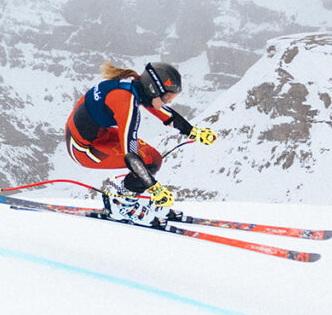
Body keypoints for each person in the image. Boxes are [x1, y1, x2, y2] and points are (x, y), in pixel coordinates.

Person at [64, 61, 217, 226]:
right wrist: (154, 188)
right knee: (147, 161)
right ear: (153, 89)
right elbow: (130, 155)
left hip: (98, 135)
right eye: (167, 96)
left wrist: (194, 132)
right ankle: (121, 205)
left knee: (153, 158)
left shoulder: (135, 87)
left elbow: (166, 114)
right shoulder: (126, 102)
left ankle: (131, 197)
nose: (169, 101)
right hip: (83, 148)